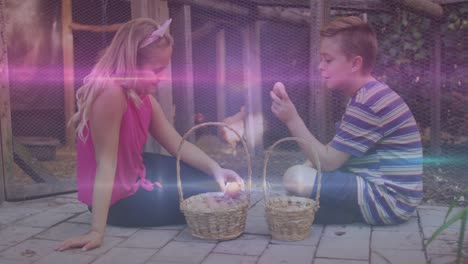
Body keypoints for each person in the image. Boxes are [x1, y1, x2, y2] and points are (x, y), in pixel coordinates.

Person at [55, 18, 244, 252]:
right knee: (207, 197)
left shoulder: (145, 100)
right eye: (156, 70)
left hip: (137, 172)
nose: (161, 77)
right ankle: (115, 215)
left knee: (209, 180)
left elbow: (177, 143)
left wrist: (217, 169)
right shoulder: (110, 95)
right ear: (132, 62)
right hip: (119, 201)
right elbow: (106, 163)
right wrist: (96, 231)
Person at [270, 16, 423, 225]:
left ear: (355, 63)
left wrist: (291, 118)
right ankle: (327, 212)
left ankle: (327, 212)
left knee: (295, 178)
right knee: (305, 170)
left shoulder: (369, 102)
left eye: (328, 60)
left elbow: (329, 162)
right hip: (388, 196)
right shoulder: (367, 95)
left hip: (388, 201)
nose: (320, 66)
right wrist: (310, 165)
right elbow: (334, 153)